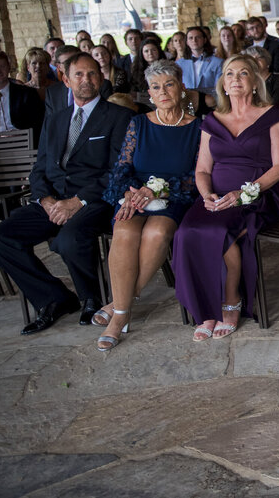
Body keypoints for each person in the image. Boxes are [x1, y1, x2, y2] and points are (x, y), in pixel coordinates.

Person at [0, 53, 133, 333]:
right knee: (2, 236)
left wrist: (77, 201)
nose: (87, 80)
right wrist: (45, 200)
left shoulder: (119, 117)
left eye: (93, 73)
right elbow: (40, 167)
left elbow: (119, 170)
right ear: (66, 79)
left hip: (96, 199)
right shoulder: (56, 119)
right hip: (53, 200)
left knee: (69, 238)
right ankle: (54, 299)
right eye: (79, 75)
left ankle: (90, 298)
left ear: (102, 77)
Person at [172, 54, 279, 340]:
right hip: (216, 196)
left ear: (253, 82)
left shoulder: (272, 115)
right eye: (230, 74)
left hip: (259, 195)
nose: (235, 79)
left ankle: (231, 301)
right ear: (223, 84)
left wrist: (244, 194)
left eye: (243, 73)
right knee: (187, 231)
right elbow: (202, 169)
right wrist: (206, 196)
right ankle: (207, 309)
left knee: (220, 233)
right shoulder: (212, 121)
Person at [93, 60, 201, 350]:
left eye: (169, 84)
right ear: (149, 94)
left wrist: (160, 190)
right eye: (155, 87)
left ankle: (119, 309)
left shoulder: (198, 128)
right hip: (135, 195)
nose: (162, 91)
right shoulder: (138, 123)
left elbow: (197, 175)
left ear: (181, 87)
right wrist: (130, 192)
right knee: (125, 231)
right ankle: (122, 309)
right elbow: (122, 167)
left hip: (174, 196)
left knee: (156, 233)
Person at [0, 50, 46, 144]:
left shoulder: (26, 93)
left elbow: (39, 124)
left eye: (2, 66)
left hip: (23, 143)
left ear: (8, 67)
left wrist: (20, 135)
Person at [176, 26, 224, 104]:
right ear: (187, 42)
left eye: (197, 37)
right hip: (187, 102)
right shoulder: (179, 64)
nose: (194, 40)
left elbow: (219, 88)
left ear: (204, 40)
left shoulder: (218, 62)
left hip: (212, 102)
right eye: (190, 38)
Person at [244, 46, 279, 111]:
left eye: (259, 57)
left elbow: (277, 104)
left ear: (267, 61)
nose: (255, 61)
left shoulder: (278, 80)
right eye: (251, 58)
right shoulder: (247, 81)